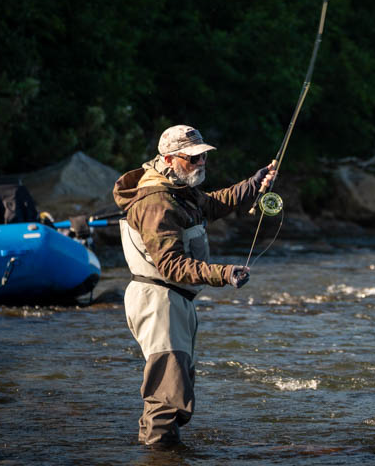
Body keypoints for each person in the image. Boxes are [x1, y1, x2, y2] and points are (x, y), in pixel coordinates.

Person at [112, 124, 275, 447]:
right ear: (169, 159)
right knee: (167, 394)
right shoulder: (157, 202)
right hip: (158, 301)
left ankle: (158, 450)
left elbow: (212, 204)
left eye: (203, 157)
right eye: (192, 158)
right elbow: (171, 265)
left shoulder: (177, 189)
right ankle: (160, 454)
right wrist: (224, 274)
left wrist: (254, 184)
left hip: (173, 299)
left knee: (176, 386)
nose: (200, 163)